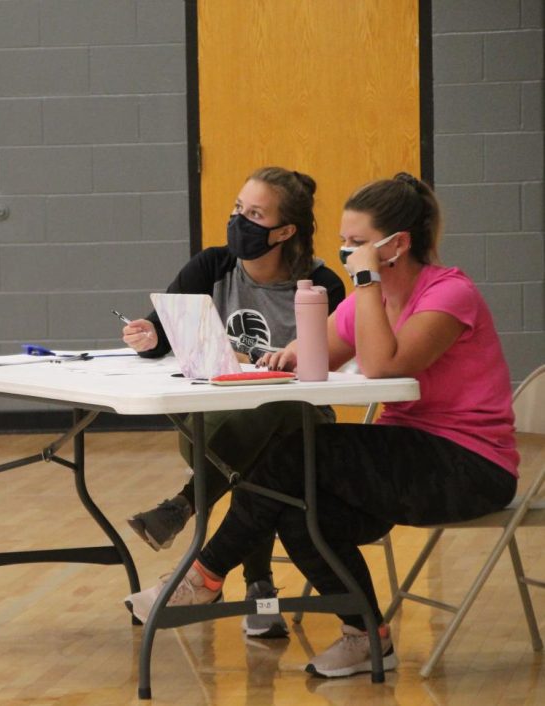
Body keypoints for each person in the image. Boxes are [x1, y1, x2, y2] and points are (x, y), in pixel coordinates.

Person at [124, 173, 519, 678]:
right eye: (343, 241)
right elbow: (317, 355)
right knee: (297, 507)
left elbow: (381, 366)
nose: (346, 253)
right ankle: (366, 636)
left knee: (299, 454)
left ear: (396, 245)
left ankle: (204, 573)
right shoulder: (364, 302)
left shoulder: (449, 294)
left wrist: (366, 283)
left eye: (357, 244)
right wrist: (287, 355)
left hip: (469, 465)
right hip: (408, 457)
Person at [121, 166, 345, 638]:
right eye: (238, 209)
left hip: (300, 426)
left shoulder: (321, 284)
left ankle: (185, 507)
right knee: (263, 451)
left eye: (255, 213)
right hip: (214, 427)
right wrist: (145, 336)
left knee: (279, 422)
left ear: (285, 231)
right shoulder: (212, 266)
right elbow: (162, 332)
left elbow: (334, 363)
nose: (239, 220)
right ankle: (258, 589)